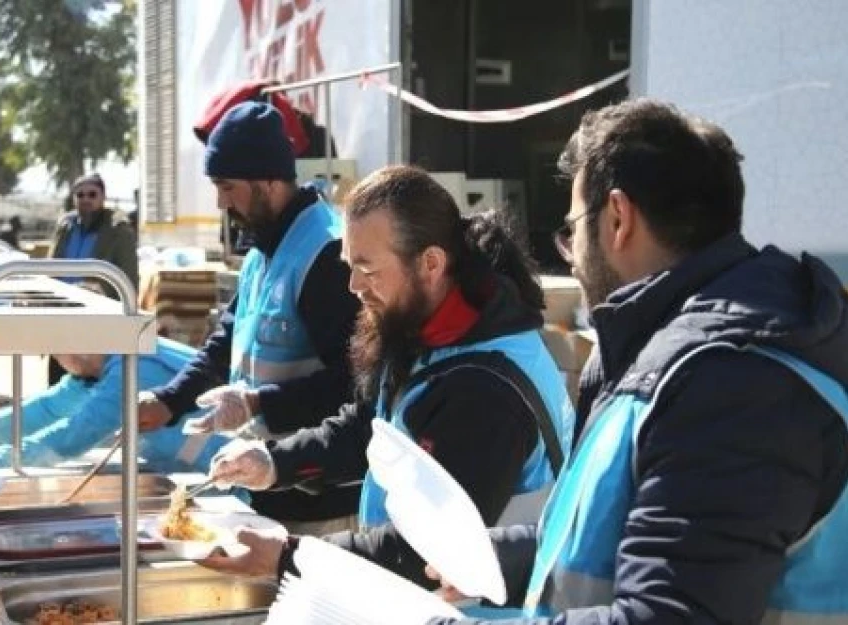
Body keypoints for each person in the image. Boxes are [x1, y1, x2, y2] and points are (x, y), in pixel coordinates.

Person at [426, 99, 848, 623]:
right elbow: (605, 535)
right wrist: (492, 556)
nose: (572, 255)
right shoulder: (677, 353)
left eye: (571, 230)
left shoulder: (728, 380)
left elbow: (670, 614)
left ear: (618, 219)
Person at [198, 166, 574, 586]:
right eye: (349, 265)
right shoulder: (422, 330)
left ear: (430, 263)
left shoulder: (484, 393)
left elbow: (430, 554)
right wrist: (272, 464)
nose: (353, 286)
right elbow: (372, 431)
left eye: (368, 268)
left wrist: (289, 557)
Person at [137, 101, 363, 535]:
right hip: (269, 484)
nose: (221, 202)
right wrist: (170, 399)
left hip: (323, 500)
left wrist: (259, 404)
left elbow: (351, 383)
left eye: (227, 186)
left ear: (267, 180)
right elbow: (227, 341)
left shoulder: (326, 254)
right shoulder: (263, 249)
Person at [0, 337, 231, 472]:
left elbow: (72, 436)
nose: (57, 361)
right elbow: (47, 407)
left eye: (55, 352)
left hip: (222, 470)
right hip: (181, 468)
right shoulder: (99, 369)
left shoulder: (130, 371)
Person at [46, 172, 139, 384]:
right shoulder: (66, 226)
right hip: (60, 315)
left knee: (87, 383)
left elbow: (129, 279)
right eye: (80, 195)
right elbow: (52, 266)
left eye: (92, 194)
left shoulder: (118, 229)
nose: (86, 199)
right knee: (56, 381)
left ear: (102, 197)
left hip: (95, 318)